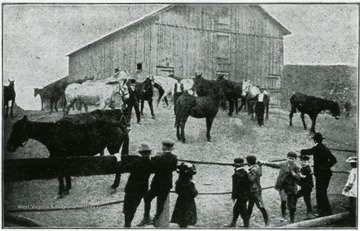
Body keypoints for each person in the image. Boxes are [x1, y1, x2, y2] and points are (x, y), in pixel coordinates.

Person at [137, 139, 178, 227]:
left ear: (164, 147)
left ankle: (146, 217)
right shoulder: (174, 157)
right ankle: (156, 218)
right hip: (167, 184)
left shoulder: (159, 157)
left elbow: (153, 168)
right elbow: (174, 168)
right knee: (161, 203)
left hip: (157, 183)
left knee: (147, 198)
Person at [300, 132, 337, 217]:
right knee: (321, 191)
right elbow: (334, 160)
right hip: (326, 174)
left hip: (321, 175)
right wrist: (326, 167)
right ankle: (321, 207)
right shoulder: (325, 148)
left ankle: (326, 211)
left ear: (315, 140)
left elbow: (308, 151)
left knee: (321, 192)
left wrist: (301, 151)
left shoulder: (317, 147)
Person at [260, 152, 300, 223]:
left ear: (295, 159)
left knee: (291, 204)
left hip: (291, 187)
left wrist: (294, 174)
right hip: (283, 186)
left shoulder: (296, 167)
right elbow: (273, 165)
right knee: (283, 201)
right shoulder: (283, 164)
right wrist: (264, 162)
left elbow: (298, 178)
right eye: (289, 158)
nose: (290, 160)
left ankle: (292, 219)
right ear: (287, 158)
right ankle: (283, 216)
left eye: (292, 159)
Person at [121, 143, 153, 227]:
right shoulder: (151, 163)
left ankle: (127, 225)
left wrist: (118, 159)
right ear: (149, 152)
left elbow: (123, 167)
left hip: (132, 188)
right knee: (134, 207)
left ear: (140, 153)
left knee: (128, 208)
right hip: (142, 189)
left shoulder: (136, 162)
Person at [171, 162, 198, 228]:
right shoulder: (191, 184)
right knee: (187, 217)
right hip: (189, 202)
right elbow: (194, 193)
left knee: (181, 219)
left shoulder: (179, 182)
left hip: (180, 201)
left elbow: (177, 191)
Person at [225, 158, 250, 227]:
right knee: (237, 208)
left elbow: (235, 188)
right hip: (245, 195)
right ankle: (234, 223)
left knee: (242, 210)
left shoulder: (236, 175)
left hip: (240, 196)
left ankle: (245, 224)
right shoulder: (245, 172)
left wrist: (233, 197)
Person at [246, 155, 269, 227]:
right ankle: (246, 223)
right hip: (253, 190)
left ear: (249, 162)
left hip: (255, 191)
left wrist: (247, 173)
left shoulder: (253, 169)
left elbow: (251, 179)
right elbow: (260, 174)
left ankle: (267, 222)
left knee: (261, 206)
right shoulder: (257, 167)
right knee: (250, 207)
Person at [342, 156, 357, 222]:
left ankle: (352, 215)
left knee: (352, 201)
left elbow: (350, 182)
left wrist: (346, 188)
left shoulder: (353, 171)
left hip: (354, 188)